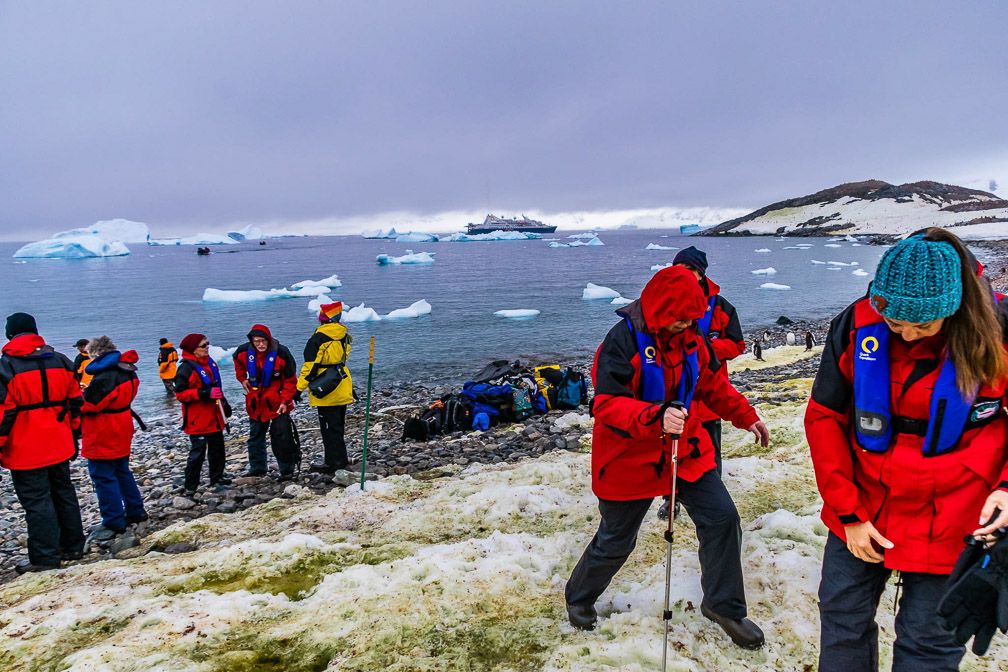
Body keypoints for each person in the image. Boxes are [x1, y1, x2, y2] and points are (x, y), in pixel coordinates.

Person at [805, 228, 1008, 671]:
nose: (909, 336)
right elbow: (823, 418)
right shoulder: (856, 325)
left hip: (957, 512)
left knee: (930, 643)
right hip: (864, 504)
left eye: (923, 325)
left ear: (953, 310)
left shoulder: (999, 334)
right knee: (842, 621)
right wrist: (848, 513)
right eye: (896, 324)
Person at [564, 266, 770, 649]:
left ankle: (723, 606)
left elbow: (712, 385)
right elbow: (606, 404)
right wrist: (653, 416)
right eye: (679, 319)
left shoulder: (693, 338)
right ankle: (579, 597)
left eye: (691, 318)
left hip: (684, 450)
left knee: (722, 519)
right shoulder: (622, 342)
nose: (686, 325)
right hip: (630, 456)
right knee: (616, 540)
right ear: (659, 310)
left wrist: (746, 415)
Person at [0, 312, 86, 574]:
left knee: (37, 502)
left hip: (26, 448)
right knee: (64, 493)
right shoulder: (60, 360)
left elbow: (4, 413)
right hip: (59, 442)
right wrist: (73, 435)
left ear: (10, 334)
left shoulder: (6, 366)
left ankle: (46, 558)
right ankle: (73, 546)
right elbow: (75, 402)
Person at [672, 246, 746, 477]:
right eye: (681, 267)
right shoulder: (664, 302)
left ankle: (714, 492)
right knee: (672, 448)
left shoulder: (721, 307)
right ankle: (670, 497)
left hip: (709, 398)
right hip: (673, 394)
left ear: (701, 274)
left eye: (692, 268)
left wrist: (706, 348)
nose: (686, 272)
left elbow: (737, 345)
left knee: (710, 450)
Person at [80, 336, 147, 540]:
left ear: (97, 355)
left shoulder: (105, 376)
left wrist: (81, 394)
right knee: (121, 470)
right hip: (123, 422)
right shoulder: (128, 370)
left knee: (103, 475)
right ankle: (135, 510)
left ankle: (113, 521)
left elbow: (90, 405)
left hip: (104, 427)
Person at [233, 324, 299, 480]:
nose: (260, 344)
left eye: (263, 341)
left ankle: (286, 470)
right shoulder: (243, 352)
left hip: (278, 403)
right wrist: (242, 379)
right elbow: (237, 362)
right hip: (256, 403)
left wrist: (285, 401)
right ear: (252, 341)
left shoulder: (282, 353)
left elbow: (291, 381)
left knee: (282, 436)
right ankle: (257, 468)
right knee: (255, 436)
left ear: (269, 340)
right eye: (257, 341)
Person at [297, 301, 353, 474]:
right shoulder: (344, 335)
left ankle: (334, 464)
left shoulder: (318, 338)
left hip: (325, 386)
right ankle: (339, 459)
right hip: (341, 381)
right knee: (337, 425)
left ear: (322, 319)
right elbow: (346, 356)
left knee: (328, 427)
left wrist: (298, 388)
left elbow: (310, 366)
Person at [174, 333, 233, 496]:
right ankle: (190, 485)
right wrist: (203, 393)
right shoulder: (186, 368)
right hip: (198, 419)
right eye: (203, 345)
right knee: (197, 453)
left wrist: (225, 405)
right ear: (193, 349)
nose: (207, 347)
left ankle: (217, 477)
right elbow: (180, 394)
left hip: (214, 415)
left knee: (217, 449)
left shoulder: (209, 363)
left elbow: (217, 388)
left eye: (207, 344)